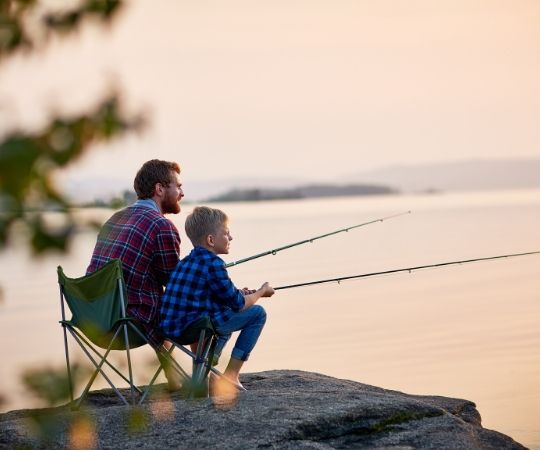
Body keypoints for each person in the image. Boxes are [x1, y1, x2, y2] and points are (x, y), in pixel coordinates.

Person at [87, 159, 183, 387]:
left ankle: (174, 377)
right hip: (126, 326)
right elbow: (175, 285)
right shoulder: (161, 226)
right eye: (178, 186)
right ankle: (200, 379)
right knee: (188, 304)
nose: (182, 193)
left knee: (154, 301)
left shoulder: (114, 218)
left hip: (93, 319)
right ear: (160, 189)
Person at [160, 206, 274, 390]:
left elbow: (213, 293)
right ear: (211, 240)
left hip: (171, 329)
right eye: (227, 234)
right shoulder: (214, 264)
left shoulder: (185, 262)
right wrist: (261, 292)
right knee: (257, 314)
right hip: (195, 329)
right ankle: (230, 375)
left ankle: (205, 373)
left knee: (223, 312)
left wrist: (239, 292)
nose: (231, 238)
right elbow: (238, 304)